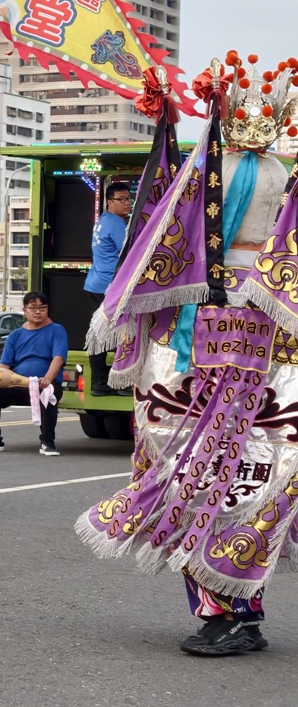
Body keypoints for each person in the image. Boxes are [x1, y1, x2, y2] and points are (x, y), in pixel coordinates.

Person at [77, 54, 298, 657]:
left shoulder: (192, 288)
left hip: (211, 387)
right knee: (250, 482)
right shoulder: (280, 290)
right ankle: (239, 610)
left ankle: (229, 613)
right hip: (254, 399)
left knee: (196, 477)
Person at [0, 291, 67, 456]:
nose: (38, 311)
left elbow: (58, 358)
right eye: (33, 308)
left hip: (44, 385)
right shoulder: (15, 335)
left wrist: (48, 379)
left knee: (49, 392)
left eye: (42, 308)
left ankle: (47, 442)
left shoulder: (57, 330)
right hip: (19, 385)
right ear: (24, 309)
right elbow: (5, 365)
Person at [84, 182, 133, 396]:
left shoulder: (103, 221)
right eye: (121, 199)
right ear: (110, 201)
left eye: (128, 198)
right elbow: (131, 253)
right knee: (121, 333)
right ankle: (118, 382)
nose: (127, 203)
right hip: (110, 287)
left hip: (96, 284)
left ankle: (100, 382)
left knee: (100, 334)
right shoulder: (116, 224)